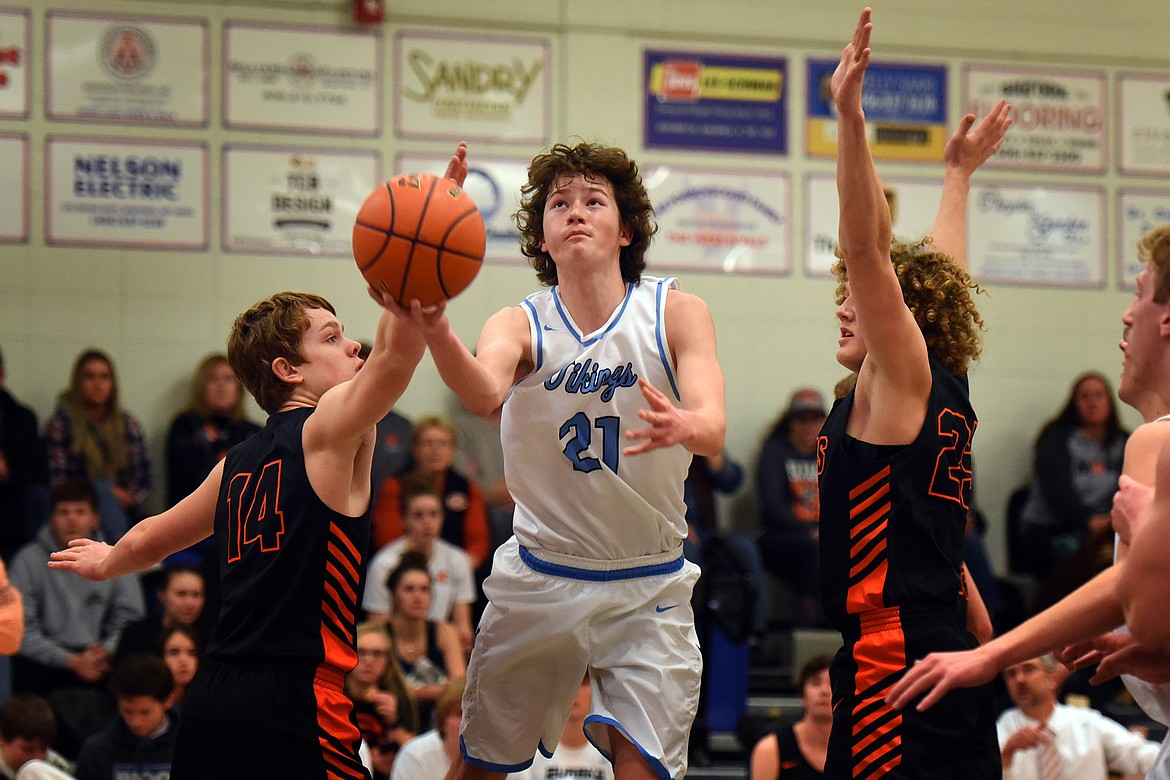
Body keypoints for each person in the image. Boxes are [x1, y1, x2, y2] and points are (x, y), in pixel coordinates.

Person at [404, 139, 725, 780]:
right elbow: (481, 392)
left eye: (593, 200)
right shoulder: (519, 323)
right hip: (541, 577)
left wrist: (687, 423)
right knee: (479, 768)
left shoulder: (677, 312)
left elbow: (713, 430)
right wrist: (438, 330)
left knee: (646, 770)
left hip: (648, 582)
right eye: (559, 203)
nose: (575, 212)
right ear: (542, 237)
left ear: (625, 228)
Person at [47, 282, 429, 780]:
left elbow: (153, 536)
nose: (354, 345)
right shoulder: (327, 428)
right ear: (287, 371)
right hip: (296, 694)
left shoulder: (236, 462)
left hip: (216, 693)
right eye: (333, 338)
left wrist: (108, 560)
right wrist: (412, 278)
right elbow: (398, 359)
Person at [887, 227, 1170, 774]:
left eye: (1139, 292)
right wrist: (1153, 650)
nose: (1126, 316)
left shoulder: (1155, 441)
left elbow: (1136, 598)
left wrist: (995, 654)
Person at [815, 10, 1011, 778]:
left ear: (901, 316)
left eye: (857, 297)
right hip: (947, 651)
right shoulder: (944, 379)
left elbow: (867, 246)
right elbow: (947, 278)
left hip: (891, 662)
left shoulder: (897, 377)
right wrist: (957, 177)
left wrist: (849, 116)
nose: (844, 302)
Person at [10, 480, 144, 697]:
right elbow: (20, 629)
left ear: (95, 519)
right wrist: (70, 661)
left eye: (80, 512)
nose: (71, 519)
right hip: (44, 667)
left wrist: (106, 650)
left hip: (104, 661)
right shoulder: (27, 561)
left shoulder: (116, 556)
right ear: (51, 519)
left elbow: (130, 618)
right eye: (63, 512)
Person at [1017, 372, 1128, 586]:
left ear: (1110, 402)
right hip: (1052, 529)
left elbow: (1130, 486)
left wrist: (1108, 521)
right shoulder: (1055, 439)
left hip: (1105, 528)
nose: (1092, 402)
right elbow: (1058, 492)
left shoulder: (1125, 440)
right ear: (1074, 403)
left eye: (1099, 395)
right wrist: (1088, 520)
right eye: (1084, 396)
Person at [43, 350, 152, 541]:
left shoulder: (128, 424)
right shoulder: (61, 426)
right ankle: (120, 548)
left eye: (104, 377)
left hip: (124, 508)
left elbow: (144, 478)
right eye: (89, 377)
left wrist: (125, 496)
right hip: (77, 508)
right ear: (78, 382)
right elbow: (59, 482)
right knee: (100, 488)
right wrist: (103, 492)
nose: (98, 384)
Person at [996, 654, 1159, 779]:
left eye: (1029, 669)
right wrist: (1006, 755)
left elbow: (1138, 754)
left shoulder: (1086, 721)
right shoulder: (1001, 730)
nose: (1020, 679)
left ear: (1052, 678)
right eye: (1011, 674)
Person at [363, 476, 476, 653]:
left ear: (443, 517)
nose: (427, 523)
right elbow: (377, 630)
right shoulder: (383, 565)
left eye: (434, 514)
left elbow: (463, 628)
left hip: (441, 647)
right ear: (403, 519)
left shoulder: (458, 560)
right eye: (418, 515)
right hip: (395, 651)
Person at [371, 417, 492, 572]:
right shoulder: (396, 485)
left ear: (453, 450)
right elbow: (387, 538)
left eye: (443, 444)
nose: (436, 450)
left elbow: (478, 542)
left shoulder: (467, 488)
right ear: (414, 448)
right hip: (404, 569)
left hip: (454, 572)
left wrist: (457, 572)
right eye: (428, 443)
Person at [757, 388, 828, 628]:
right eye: (801, 419)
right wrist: (809, 531)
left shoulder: (831, 454)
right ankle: (807, 630)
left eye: (815, 419)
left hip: (821, 535)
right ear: (790, 422)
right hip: (779, 537)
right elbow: (773, 508)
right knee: (816, 549)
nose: (808, 426)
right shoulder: (775, 453)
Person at [165, 353, 261, 508]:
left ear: (240, 387)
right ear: (201, 387)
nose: (221, 386)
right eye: (213, 379)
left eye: (228, 379)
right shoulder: (184, 426)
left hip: (241, 519)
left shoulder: (255, 433)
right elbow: (189, 479)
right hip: (189, 516)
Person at [385, 552, 465, 731]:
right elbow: (377, 691)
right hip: (392, 725)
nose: (418, 597)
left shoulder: (445, 631)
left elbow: (458, 688)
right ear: (394, 595)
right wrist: (433, 691)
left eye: (424, 589)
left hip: (437, 725)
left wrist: (410, 693)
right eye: (409, 589)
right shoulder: (381, 635)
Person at [73, 654, 179, 780]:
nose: (136, 722)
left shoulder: (192, 749)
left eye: (145, 712)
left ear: (169, 701)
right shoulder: (97, 751)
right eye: (127, 711)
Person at [347, 621, 419, 780]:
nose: (369, 660)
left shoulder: (399, 696)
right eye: (361, 651)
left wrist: (394, 722)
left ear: (388, 660)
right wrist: (366, 761)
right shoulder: (334, 694)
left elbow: (414, 750)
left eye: (377, 654)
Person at [508, 676, 613, 780]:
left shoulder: (609, 756)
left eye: (583, 684)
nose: (576, 692)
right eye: (570, 684)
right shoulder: (533, 754)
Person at [749, 654, 833, 779]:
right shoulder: (770, 749)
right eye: (816, 683)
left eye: (832, 684)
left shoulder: (860, 746)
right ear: (802, 696)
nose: (824, 691)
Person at [0, 345, 48, 563]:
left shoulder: (21, 418)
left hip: (11, 499)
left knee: (38, 496)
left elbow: (38, 470)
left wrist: (7, 473)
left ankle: (36, 566)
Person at [113, 563, 206, 663]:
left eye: (196, 595)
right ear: (162, 595)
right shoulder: (136, 634)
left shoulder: (210, 638)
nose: (190, 603)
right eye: (181, 594)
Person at [390, 678, 464, 780]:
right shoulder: (414, 756)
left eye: (477, 716)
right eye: (460, 714)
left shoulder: (492, 755)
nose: (468, 723)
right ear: (443, 721)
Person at [0, 694, 76, 779]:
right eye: (28, 749)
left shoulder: (57, 766)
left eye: (44, 749)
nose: (38, 758)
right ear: (2, 739)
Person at [156, 624, 201, 715]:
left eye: (191, 653)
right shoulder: (149, 699)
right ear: (160, 657)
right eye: (174, 652)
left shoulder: (207, 701)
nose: (183, 661)